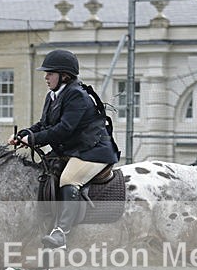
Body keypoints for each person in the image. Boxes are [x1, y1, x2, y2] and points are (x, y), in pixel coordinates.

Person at [8, 49, 118, 249]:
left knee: (69, 179)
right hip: (73, 150)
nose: (46, 77)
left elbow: (64, 129)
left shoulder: (76, 95)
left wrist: (33, 139)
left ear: (64, 76)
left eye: (50, 73)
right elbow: (43, 124)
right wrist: (23, 134)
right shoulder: (53, 95)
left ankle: (61, 233)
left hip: (93, 151)